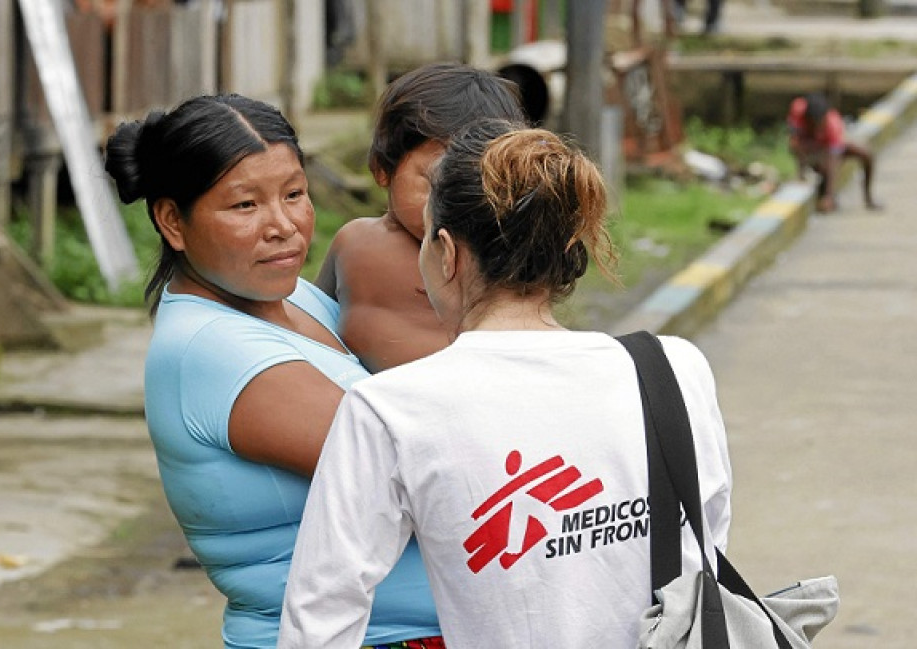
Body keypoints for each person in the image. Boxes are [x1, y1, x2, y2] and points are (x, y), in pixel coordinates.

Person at [278, 120, 733, 648]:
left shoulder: (391, 409)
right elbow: (706, 555)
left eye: (425, 238)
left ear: (447, 252)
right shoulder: (672, 370)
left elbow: (321, 617)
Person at [103, 94, 441, 649]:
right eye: (244, 206)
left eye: (294, 194)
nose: (283, 226)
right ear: (172, 221)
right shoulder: (213, 350)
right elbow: (419, 470)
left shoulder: (293, 297)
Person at [314, 62, 527, 373]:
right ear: (382, 169)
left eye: (480, 184)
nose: (453, 203)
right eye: (436, 182)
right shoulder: (356, 243)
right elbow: (308, 318)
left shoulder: (500, 258)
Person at [787, 92, 882, 213]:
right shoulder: (798, 109)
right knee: (794, 144)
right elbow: (793, 137)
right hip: (810, 145)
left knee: (866, 153)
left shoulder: (832, 123)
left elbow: (834, 158)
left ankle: (868, 197)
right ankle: (803, 174)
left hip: (829, 148)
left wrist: (829, 195)